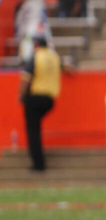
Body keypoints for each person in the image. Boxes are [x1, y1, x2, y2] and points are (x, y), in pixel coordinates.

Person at [19, 35, 60, 173]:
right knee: (36, 128)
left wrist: (21, 96)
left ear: (36, 44)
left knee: (33, 131)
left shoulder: (36, 57)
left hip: (35, 98)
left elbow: (26, 78)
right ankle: (39, 162)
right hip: (50, 99)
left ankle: (38, 164)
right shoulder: (54, 57)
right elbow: (65, 66)